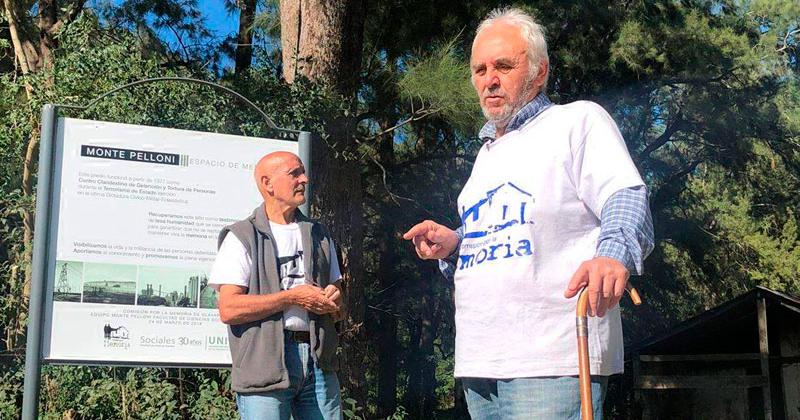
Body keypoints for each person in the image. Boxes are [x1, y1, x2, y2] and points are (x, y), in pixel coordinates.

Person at [403, 7, 654, 420]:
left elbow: (624, 193)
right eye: (480, 69)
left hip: (553, 360)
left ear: (539, 72)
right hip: (481, 362)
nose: (490, 79)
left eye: (503, 65)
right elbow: (509, 230)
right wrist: (455, 244)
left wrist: (613, 254)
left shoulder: (577, 121)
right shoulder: (485, 155)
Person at [209, 151, 343, 420]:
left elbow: (340, 302)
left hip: (318, 364)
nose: (303, 179)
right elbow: (229, 308)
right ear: (267, 183)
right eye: (294, 174)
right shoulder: (241, 236)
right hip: (264, 365)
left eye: (303, 172)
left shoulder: (320, 234)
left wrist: (336, 298)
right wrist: (291, 298)